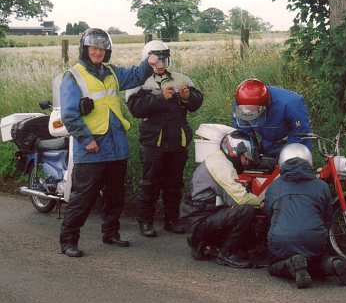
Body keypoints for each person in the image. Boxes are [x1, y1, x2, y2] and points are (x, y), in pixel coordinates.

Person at [59, 28, 158, 258]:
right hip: (92, 148)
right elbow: (70, 116)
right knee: (83, 198)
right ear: (85, 49)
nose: (98, 53)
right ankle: (68, 241)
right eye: (94, 48)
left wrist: (148, 63)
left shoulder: (112, 72)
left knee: (115, 196)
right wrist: (87, 140)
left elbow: (134, 76)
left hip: (116, 146)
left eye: (102, 49)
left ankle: (110, 234)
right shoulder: (73, 76)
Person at [126, 40, 203, 238]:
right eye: (156, 60)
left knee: (175, 182)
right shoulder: (139, 81)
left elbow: (196, 103)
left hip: (178, 139)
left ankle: (172, 220)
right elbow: (136, 109)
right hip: (154, 140)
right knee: (150, 182)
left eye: (163, 59)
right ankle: (145, 222)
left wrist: (187, 97)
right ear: (147, 60)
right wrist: (161, 98)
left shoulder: (181, 78)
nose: (160, 64)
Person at [263, 143, 346, 288]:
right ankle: (332, 264)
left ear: (282, 162)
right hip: (314, 239)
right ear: (309, 161)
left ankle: (293, 263)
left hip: (282, 239)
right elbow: (328, 217)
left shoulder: (274, 186)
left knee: (273, 265)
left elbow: (269, 213)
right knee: (315, 259)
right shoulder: (321, 186)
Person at [180, 131, 262, 269]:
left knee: (240, 210)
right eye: (245, 158)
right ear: (235, 151)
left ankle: (204, 242)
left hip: (198, 216)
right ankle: (226, 254)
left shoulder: (218, 160)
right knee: (246, 210)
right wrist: (262, 203)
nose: (246, 162)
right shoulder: (222, 166)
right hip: (198, 220)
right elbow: (241, 199)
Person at [232, 78, 312, 158]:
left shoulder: (292, 104)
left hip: (293, 139)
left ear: (265, 106)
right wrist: (251, 148)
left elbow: (300, 131)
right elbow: (243, 130)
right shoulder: (242, 100)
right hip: (268, 141)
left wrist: (287, 154)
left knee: (294, 164)